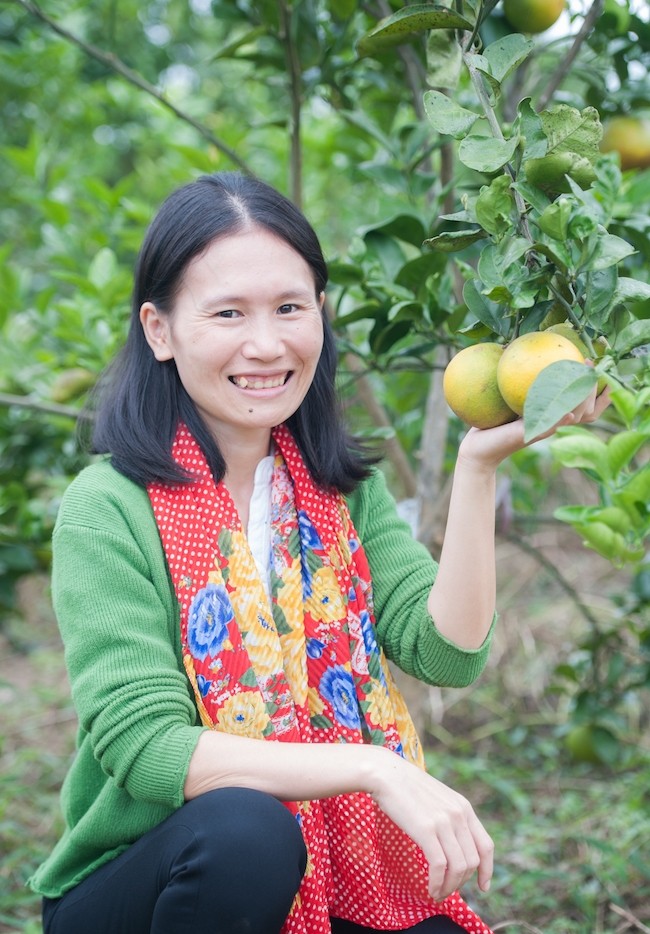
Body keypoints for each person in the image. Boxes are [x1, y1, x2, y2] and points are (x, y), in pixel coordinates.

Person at [29, 172, 610, 934]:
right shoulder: (109, 508)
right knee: (247, 833)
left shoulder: (338, 491)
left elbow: (446, 654)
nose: (266, 344)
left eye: (290, 308)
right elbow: (151, 749)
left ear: (321, 316)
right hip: (148, 883)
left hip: (331, 871)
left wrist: (478, 466)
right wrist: (373, 767)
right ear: (160, 330)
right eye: (228, 313)